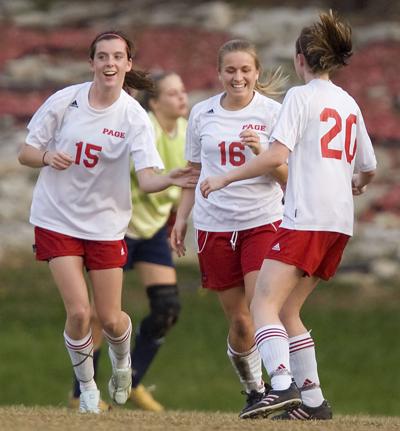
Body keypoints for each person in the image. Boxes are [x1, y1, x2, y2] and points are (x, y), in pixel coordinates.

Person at [200, 10, 377, 420]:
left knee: (262, 301)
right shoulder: (348, 102)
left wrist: (226, 178)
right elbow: (367, 168)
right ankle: (313, 403)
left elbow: (277, 156)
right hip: (338, 224)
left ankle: (280, 387)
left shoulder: (301, 96)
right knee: (287, 310)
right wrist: (359, 183)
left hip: (306, 218)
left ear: (301, 59)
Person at [18, 30, 197, 414]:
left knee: (113, 319)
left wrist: (172, 177)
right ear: (92, 63)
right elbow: (27, 152)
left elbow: (148, 178)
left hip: (105, 225)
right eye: (102, 57)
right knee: (80, 313)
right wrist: (48, 157)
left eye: (118, 57)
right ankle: (85, 390)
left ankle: (122, 366)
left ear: (128, 65)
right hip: (56, 218)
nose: (110, 63)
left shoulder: (134, 116)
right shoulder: (65, 101)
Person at [170, 39, 288, 418]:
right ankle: (255, 388)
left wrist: (263, 154)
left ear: (257, 72)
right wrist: (182, 218)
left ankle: (284, 388)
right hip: (214, 226)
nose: (238, 77)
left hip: (262, 220)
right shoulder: (202, 114)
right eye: (230, 70)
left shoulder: (274, 113)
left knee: (261, 305)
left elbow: (290, 178)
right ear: (219, 73)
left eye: (245, 70)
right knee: (239, 322)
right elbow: (193, 174)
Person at [69, 71, 189, 412]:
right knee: (98, 316)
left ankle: (131, 381)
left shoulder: (185, 131)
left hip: (151, 231)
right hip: (118, 227)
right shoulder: (140, 125)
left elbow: (187, 180)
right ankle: (81, 391)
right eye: (173, 93)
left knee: (167, 309)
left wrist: (180, 220)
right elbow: (147, 176)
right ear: (153, 102)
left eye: (183, 91)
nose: (182, 98)